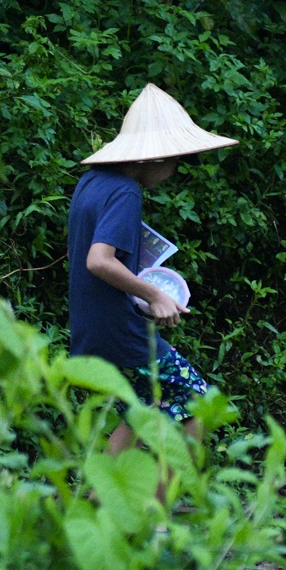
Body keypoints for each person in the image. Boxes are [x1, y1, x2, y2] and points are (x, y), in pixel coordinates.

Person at [67, 83, 237, 455]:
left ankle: (92, 504)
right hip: (121, 334)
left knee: (147, 409)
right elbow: (99, 260)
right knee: (199, 405)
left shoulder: (92, 182)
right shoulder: (126, 192)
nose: (174, 172)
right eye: (176, 162)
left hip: (92, 329)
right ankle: (160, 511)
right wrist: (154, 294)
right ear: (154, 158)